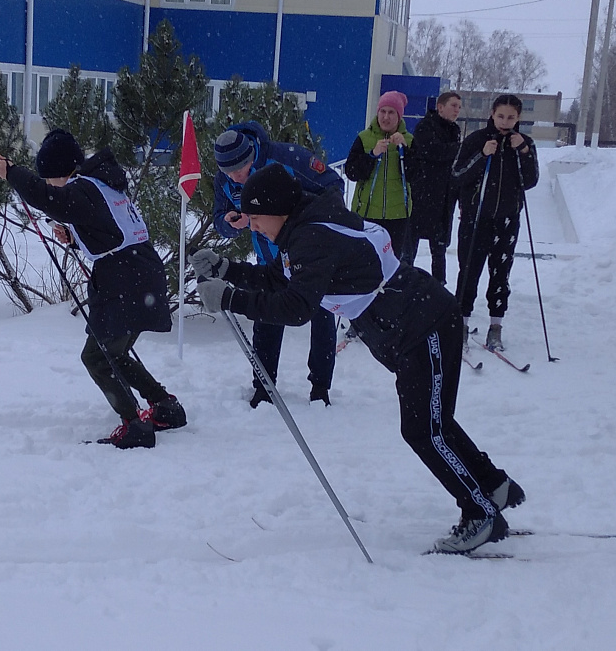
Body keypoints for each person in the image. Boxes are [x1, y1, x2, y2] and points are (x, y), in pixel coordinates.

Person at [189, 164, 524, 554]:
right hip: (410, 324)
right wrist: (228, 271)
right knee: (433, 424)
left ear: (277, 209)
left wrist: (231, 298)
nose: (252, 226)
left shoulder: (311, 237)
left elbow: (296, 307)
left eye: (255, 217)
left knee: (424, 430)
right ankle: (492, 486)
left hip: (421, 324)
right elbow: (287, 281)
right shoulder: (306, 227)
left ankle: (479, 511)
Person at [0, 130, 185, 449]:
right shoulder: (101, 183)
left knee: (96, 357)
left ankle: (135, 425)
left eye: (50, 178)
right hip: (140, 274)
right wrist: (77, 237)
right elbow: (108, 229)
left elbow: (47, 198)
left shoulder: (83, 188)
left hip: (125, 280)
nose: (52, 185)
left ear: (60, 173)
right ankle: (166, 407)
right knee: (115, 353)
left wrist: (12, 172)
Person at [212, 122, 343, 406]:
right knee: (266, 317)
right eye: (229, 172)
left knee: (321, 316)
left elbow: (333, 187)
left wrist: (300, 219)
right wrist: (229, 224)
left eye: (241, 168)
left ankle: (320, 388)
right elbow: (220, 218)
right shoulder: (223, 179)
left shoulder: (287, 158)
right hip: (269, 260)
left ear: (251, 155)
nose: (237, 176)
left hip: (311, 258)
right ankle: (264, 387)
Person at [451, 94, 539, 353]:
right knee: (468, 272)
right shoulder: (477, 140)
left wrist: (522, 151)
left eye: (511, 117)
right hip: (475, 219)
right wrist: (481, 154)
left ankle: (496, 326)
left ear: (519, 118)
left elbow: (531, 180)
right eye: (501, 116)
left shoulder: (524, 143)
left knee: (500, 274)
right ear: (492, 113)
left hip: (507, 220)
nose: (505, 121)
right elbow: (457, 175)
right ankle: (462, 324)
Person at [344, 90, 415, 264]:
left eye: (391, 112)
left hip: (397, 215)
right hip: (367, 213)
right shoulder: (364, 138)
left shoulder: (410, 140)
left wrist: (404, 151)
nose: (386, 117)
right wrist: (371, 155)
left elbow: (416, 175)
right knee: (363, 263)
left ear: (399, 116)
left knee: (393, 265)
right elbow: (351, 172)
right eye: (382, 111)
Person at [407, 91, 463, 284]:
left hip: (444, 199)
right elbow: (433, 152)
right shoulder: (425, 127)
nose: (457, 110)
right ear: (440, 107)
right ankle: (404, 288)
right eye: (453, 105)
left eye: (459, 106)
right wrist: (458, 149)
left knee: (439, 252)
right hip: (422, 196)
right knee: (409, 250)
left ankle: (439, 290)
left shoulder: (454, 130)